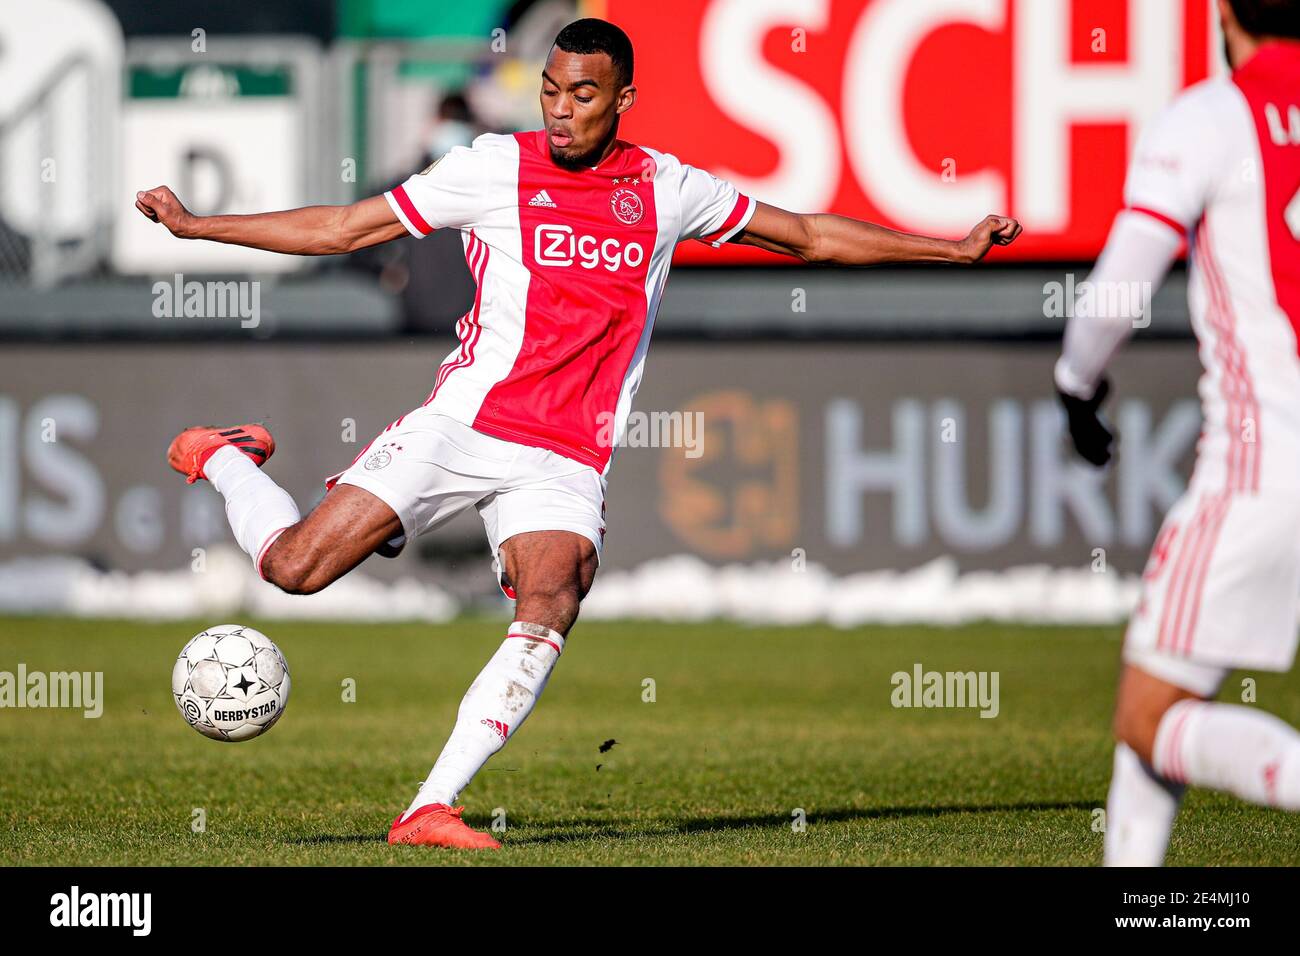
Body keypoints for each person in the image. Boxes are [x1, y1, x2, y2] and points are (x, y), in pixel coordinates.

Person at [138, 17, 1021, 850]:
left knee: (554, 593)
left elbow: (810, 237)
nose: (561, 110)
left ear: (623, 99)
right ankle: (224, 455)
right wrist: (196, 224)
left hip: (565, 454)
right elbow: (343, 228)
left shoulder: (669, 190)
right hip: (465, 425)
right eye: (552, 91)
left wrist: (951, 249)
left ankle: (429, 806)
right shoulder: (491, 168)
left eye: (583, 95)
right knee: (293, 569)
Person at [1054, 0, 1300, 866]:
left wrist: (1076, 384)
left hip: (1267, 472)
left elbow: (1121, 287)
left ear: (1225, 14)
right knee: (1159, 690)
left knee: (1146, 715)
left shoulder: (1211, 116)